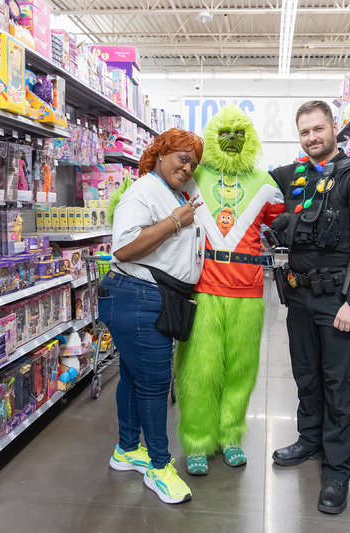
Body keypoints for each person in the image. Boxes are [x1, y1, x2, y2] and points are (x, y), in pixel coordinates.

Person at [268, 100, 350, 514]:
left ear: (334, 128)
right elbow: (247, 178)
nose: (313, 137)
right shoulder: (295, 176)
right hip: (298, 297)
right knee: (305, 376)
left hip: (339, 301)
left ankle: (337, 471)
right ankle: (309, 438)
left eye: (318, 129)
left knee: (338, 385)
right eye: (305, 132)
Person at [175, 104, 283, 476]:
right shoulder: (193, 175)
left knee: (241, 370)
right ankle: (197, 440)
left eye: (240, 135)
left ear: (250, 138)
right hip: (202, 289)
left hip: (249, 294)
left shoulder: (266, 183)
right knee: (199, 370)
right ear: (213, 138)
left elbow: (282, 221)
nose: (233, 142)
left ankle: (230, 435)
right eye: (225, 135)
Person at [99, 128, 205, 505]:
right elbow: (125, 248)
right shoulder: (144, 190)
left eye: (193, 163)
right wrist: (176, 222)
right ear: (161, 153)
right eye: (182, 157)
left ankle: (127, 449)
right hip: (137, 296)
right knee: (156, 383)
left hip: (151, 297)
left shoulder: (175, 193)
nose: (188, 167)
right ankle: (160, 466)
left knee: (133, 374)